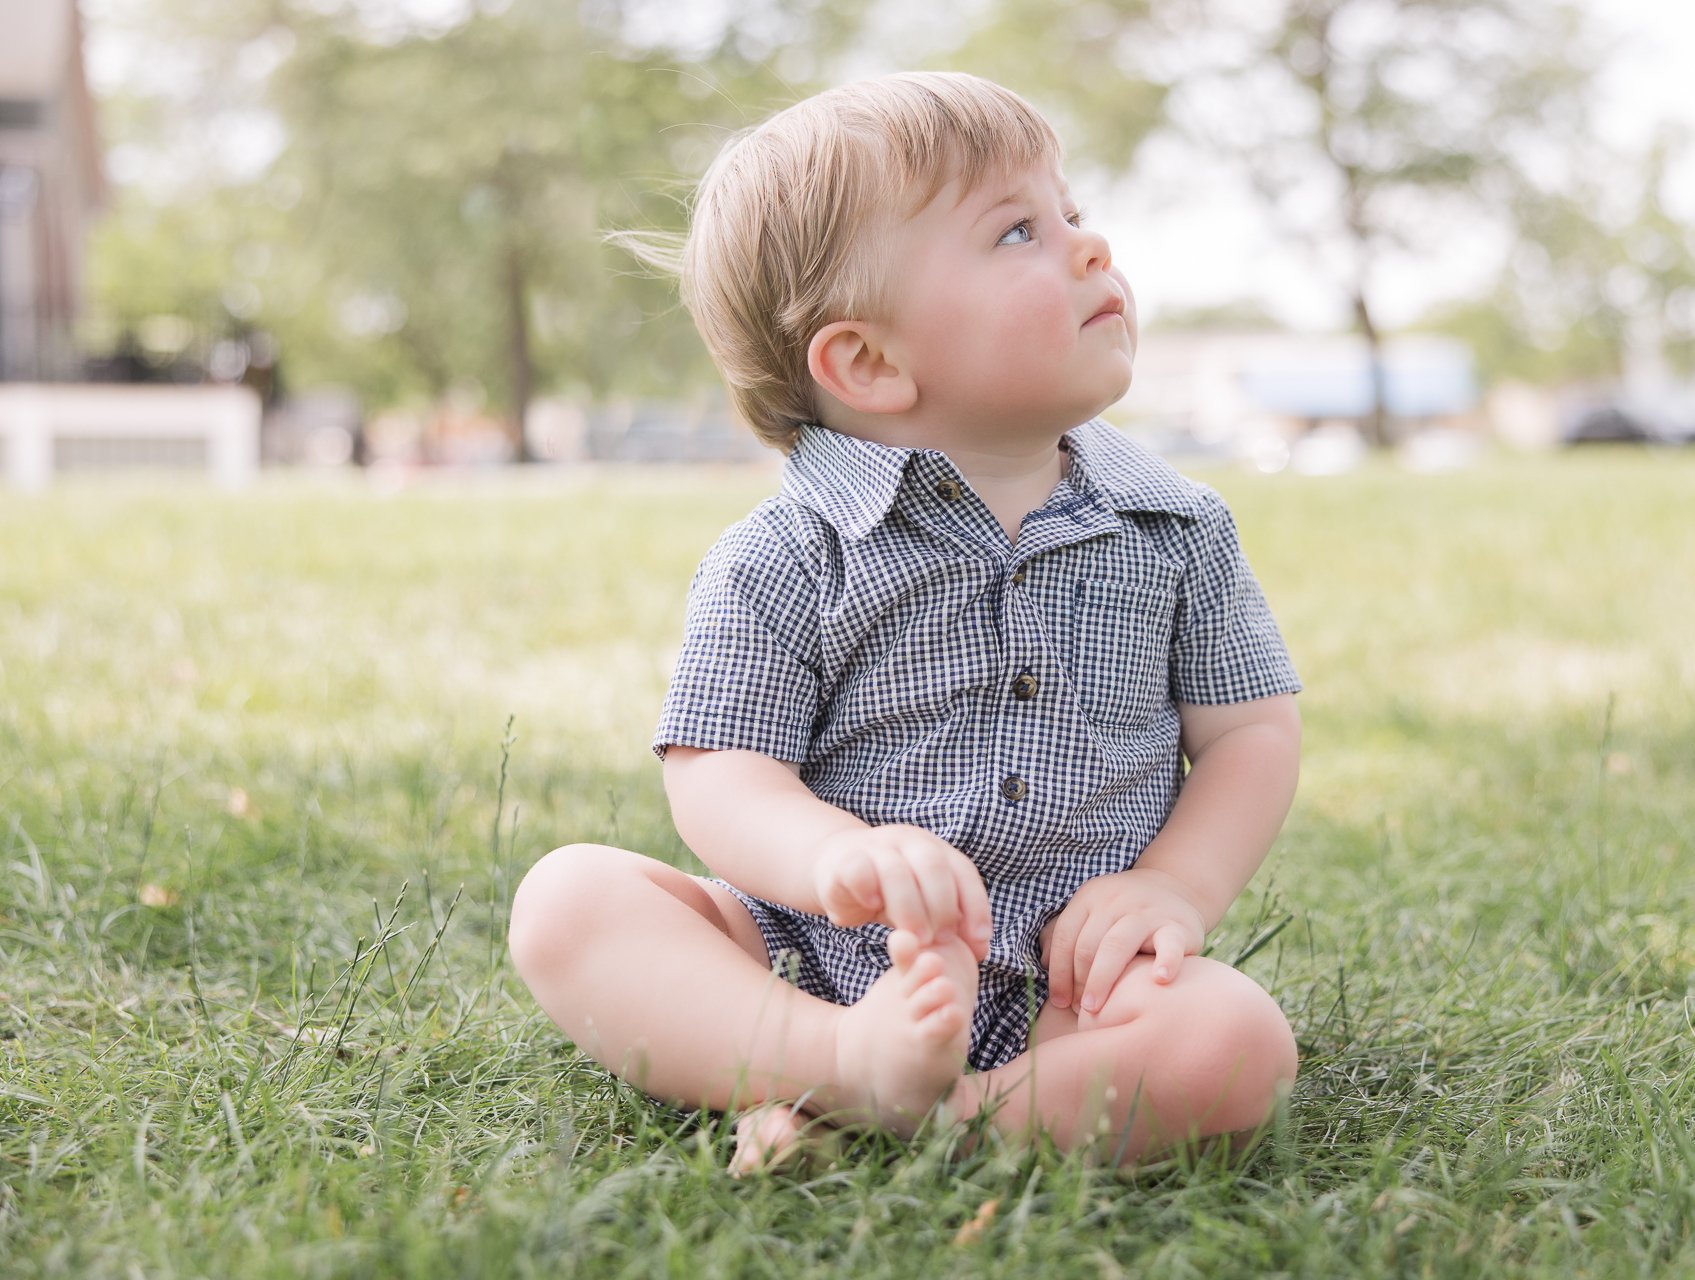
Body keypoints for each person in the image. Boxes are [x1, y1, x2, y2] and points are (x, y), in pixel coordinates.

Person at [509, 71, 1303, 1173]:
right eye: (1019, 230)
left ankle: (939, 1113)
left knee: (1236, 1041)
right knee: (569, 901)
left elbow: (1249, 733)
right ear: (870, 362)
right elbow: (717, 770)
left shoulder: (1176, 528)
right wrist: (835, 852)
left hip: (1071, 979)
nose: (1088, 243)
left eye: (1069, 210)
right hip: (804, 950)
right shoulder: (786, 553)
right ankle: (832, 1053)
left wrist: (1173, 884)